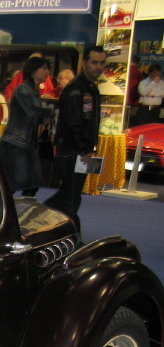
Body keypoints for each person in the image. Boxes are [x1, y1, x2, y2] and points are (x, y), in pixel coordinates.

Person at [44, 45, 107, 239]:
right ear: (84, 64)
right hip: (71, 152)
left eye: (102, 63)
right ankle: (74, 237)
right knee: (70, 198)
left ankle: (40, 218)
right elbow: (73, 122)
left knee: (69, 196)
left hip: (80, 151)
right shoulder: (75, 89)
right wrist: (83, 149)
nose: (98, 67)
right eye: (94, 62)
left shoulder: (90, 87)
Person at [0, 56, 55, 197]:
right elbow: (33, 111)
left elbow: (33, 115)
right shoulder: (23, 90)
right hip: (16, 142)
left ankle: (21, 208)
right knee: (15, 183)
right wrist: (51, 110)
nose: (47, 72)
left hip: (25, 143)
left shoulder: (33, 91)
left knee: (31, 183)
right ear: (33, 70)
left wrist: (43, 118)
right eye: (44, 68)